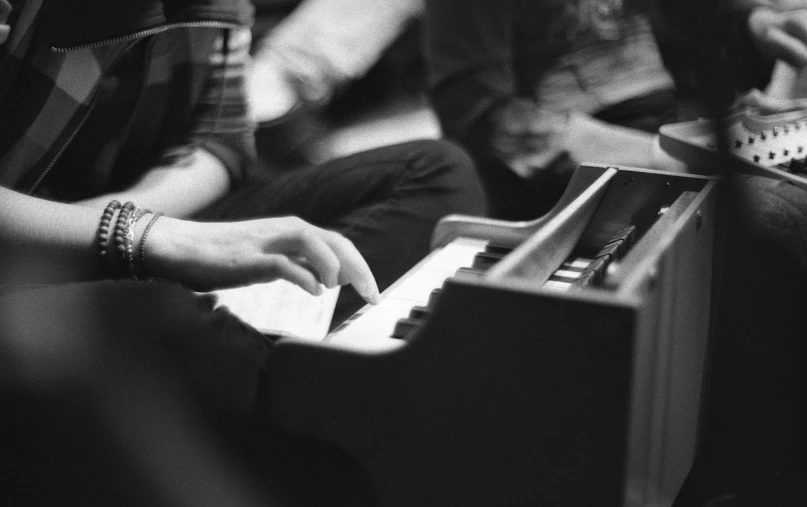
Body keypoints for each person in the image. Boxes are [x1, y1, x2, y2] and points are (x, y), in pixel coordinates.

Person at [0, 0, 485, 504]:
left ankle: (279, 380)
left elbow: (221, 137)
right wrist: (135, 238)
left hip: (112, 230)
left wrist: (140, 233)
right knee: (164, 319)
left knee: (434, 171)